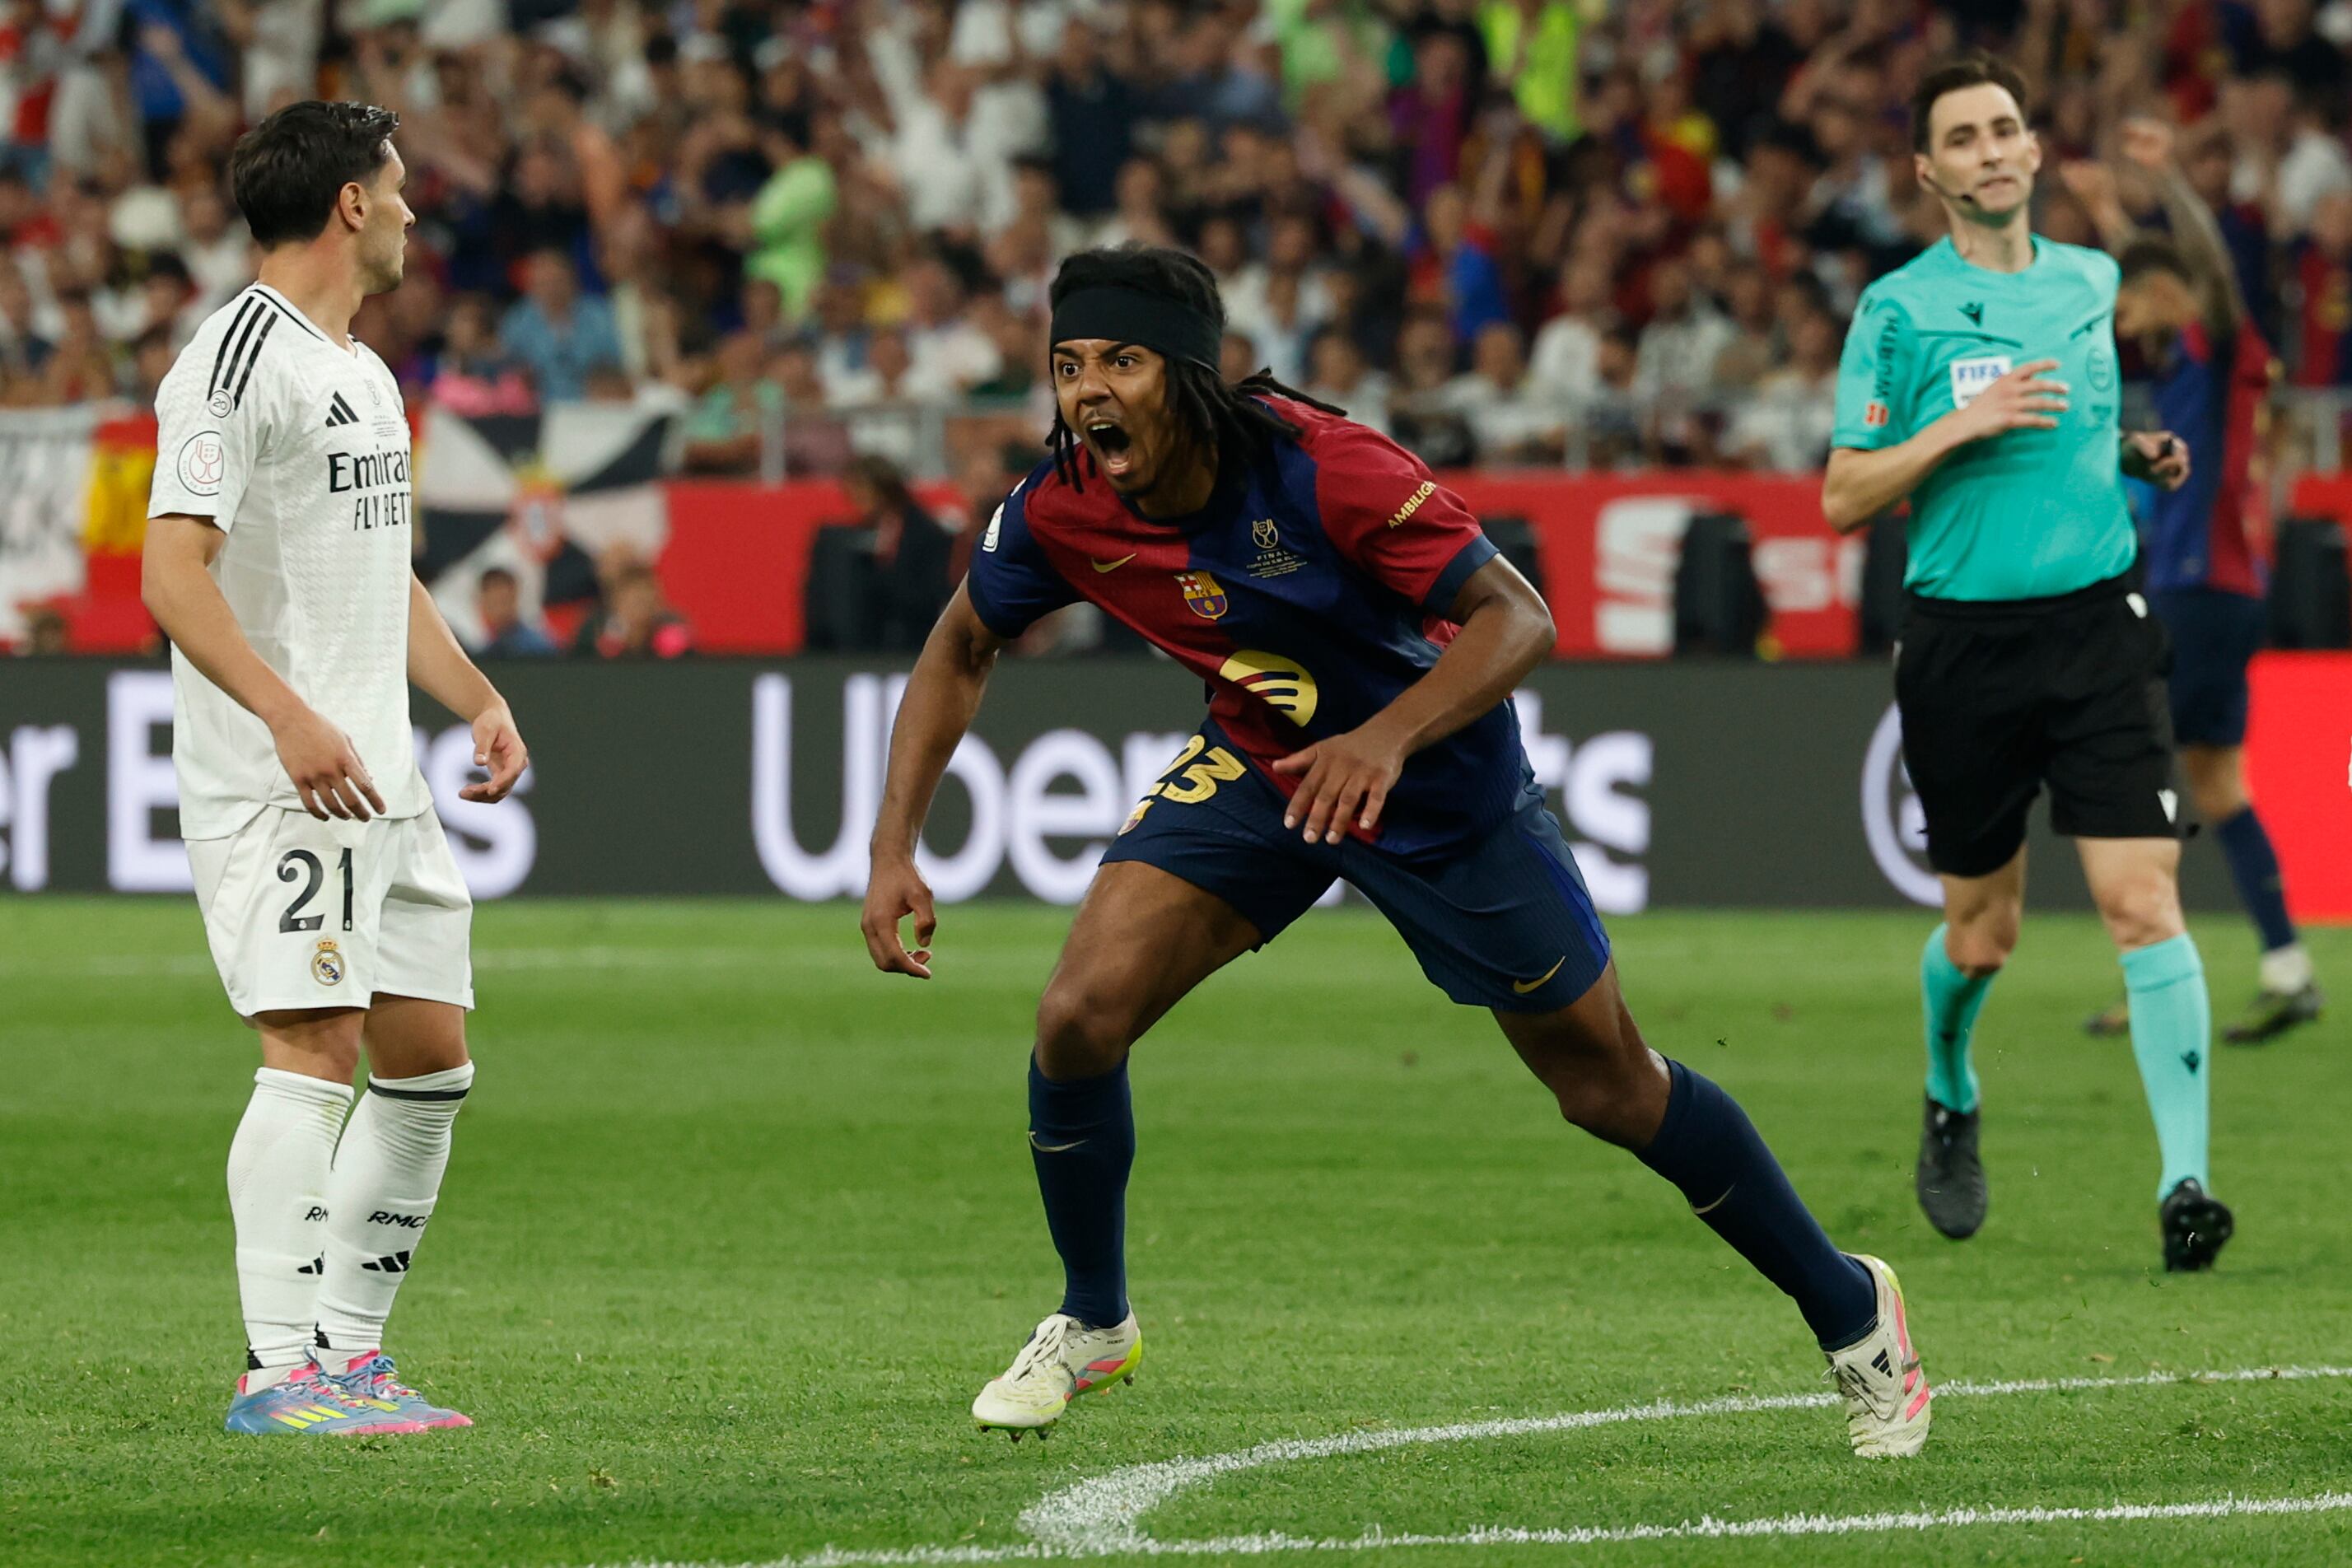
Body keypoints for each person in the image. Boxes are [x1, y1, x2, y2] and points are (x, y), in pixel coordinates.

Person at [861, 245, 1931, 1456]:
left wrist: (1383, 741)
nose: (1088, 390)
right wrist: (894, 844)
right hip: (1267, 767)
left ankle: (1853, 1309)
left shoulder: (1328, 470)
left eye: (1121, 360)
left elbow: (1517, 618)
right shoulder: (1061, 506)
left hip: (1440, 790)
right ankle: (1094, 1320)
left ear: (1192, 374)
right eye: (1068, 365)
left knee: (1606, 1086)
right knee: (1078, 1016)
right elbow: (961, 644)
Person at [139, 100, 530, 1438]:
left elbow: (379, 567)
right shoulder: (232, 359)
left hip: (383, 777)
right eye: (402, 189)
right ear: (351, 204)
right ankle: (278, 1369)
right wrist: (291, 717)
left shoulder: (360, 367)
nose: (416, 212)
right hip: (282, 773)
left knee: (429, 1061)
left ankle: (351, 1354)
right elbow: (169, 571)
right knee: (311, 1044)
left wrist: (473, 693)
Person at [1822, 54, 2226, 1272]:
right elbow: (1846, 492)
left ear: (2036, 152)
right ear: (1931, 172)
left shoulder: (2094, 280)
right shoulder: (1898, 311)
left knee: (2141, 899)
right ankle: (1950, 1084)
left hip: (2101, 630)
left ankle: (2186, 1184)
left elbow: (2076, 432)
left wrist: (2132, 454)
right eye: (1966, 136)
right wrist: (1959, 424)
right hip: (1964, 646)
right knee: (1985, 934)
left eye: (2008, 128)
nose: (1994, 149)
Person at [2067, 119, 2322, 1046]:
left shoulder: (2220, 353)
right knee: (2216, 786)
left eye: (2129, 307)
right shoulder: (2189, 371)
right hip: (2218, 590)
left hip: (2199, 590)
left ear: (2164, 295)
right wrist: (2106, 210)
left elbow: (2203, 268)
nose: (2123, 324)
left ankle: (2155, 978)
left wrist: (2165, 179)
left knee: (2129, 771)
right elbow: (2149, 273)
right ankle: (2288, 967)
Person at [472, 566, 557, 657]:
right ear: (483, 602)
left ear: (515, 598)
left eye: (504, 601)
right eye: (494, 602)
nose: (499, 610)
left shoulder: (534, 647)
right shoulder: (474, 640)